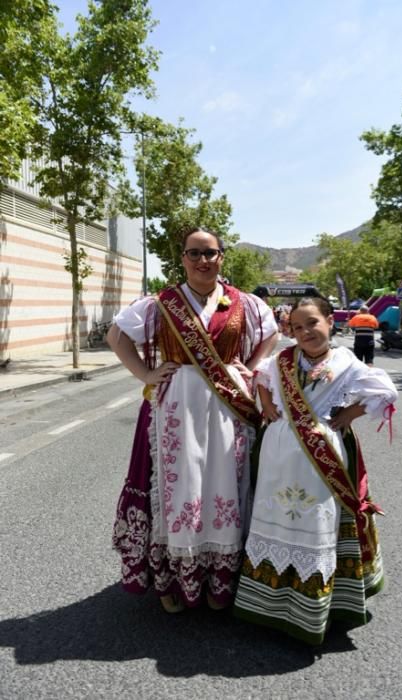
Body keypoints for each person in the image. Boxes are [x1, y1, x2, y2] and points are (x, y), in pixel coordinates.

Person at [107, 227, 278, 613]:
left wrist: (249, 368)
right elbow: (117, 336)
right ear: (182, 258)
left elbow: (271, 334)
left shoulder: (243, 303)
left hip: (226, 409)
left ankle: (219, 582)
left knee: (222, 485)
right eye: (194, 253)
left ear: (222, 257)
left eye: (210, 253)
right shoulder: (159, 303)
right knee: (177, 488)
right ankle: (169, 579)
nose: (203, 260)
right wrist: (146, 375)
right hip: (173, 407)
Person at [233, 296, 397, 645]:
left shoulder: (346, 362)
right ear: (289, 331)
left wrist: (352, 413)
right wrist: (265, 402)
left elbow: (384, 389)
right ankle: (268, 603)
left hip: (322, 456)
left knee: (317, 523)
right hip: (278, 453)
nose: (305, 331)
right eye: (297, 326)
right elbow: (259, 374)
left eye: (312, 323)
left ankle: (315, 607)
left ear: (330, 322)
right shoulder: (283, 360)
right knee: (276, 519)